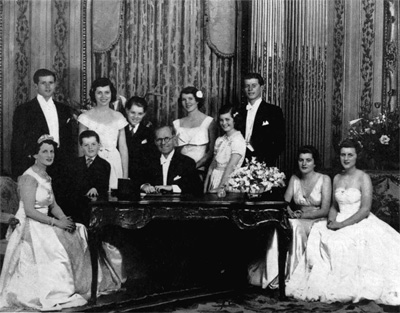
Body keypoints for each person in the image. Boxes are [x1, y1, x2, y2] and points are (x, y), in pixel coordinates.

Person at [286, 139, 400, 305]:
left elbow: (365, 209)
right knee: (319, 232)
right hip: (339, 218)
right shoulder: (337, 178)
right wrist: (332, 219)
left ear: (356, 157)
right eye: (343, 155)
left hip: (359, 220)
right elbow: (333, 206)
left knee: (342, 241)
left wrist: (342, 224)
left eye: (350, 155)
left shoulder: (363, 177)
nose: (346, 158)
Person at [0, 135, 91, 310]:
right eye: (44, 152)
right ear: (35, 155)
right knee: (56, 251)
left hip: (45, 221)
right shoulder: (29, 177)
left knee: (79, 230)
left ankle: (73, 285)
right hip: (29, 224)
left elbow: (53, 205)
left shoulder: (46, 175)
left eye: (52, 151)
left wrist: (64, 219)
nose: (50, 155)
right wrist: (57, 223)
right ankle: (52, 291)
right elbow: (29, 211)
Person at [248, 145, 331, 288]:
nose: (304, 164)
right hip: (298, 219)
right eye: (301, 160)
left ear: (315, 163)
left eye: (308, 160)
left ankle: (292, 276)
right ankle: (275, 272)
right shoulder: (294, 178)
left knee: (294, 225)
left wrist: (303, 215)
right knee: (282, 224)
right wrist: (290, 212)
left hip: (317, 220)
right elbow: (284, 203)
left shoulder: (324, 179)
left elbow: (325, 210)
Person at [11, 68, 73, 196]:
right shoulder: (24, 110)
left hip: (62, 166)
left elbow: (69, 142)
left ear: (55, 85)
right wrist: (18, 173)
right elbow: (17, 144)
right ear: (35, 86)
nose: (48, 86)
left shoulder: (64, 110)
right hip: (35, 165)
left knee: (62, 202)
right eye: (43, 83)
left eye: (51, 82)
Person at [78, 77, 129, 190]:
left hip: (114, 163)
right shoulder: (85, 118)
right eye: (99, 93)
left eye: (107, 92)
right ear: (94, 94)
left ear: (112, 93)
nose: (103, 96)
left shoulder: (119, 117)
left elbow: (123, 148)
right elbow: (81, 148)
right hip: (93, 162)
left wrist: (125, 177)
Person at [65, 130, 111, 226]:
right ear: (81, 147)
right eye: (86, 145)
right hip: (76, 207)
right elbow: (70, 187)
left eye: (93, 144)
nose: (90, 148)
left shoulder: (104, 165)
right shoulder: (74, 164)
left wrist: (96, 188)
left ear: (99, 145)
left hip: (94, 209)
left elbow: (104, 186)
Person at [140, 125, 202, 195]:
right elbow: (138, 180)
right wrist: (143, 186)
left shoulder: (187, 162)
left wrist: (172, 187)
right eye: (159, 139)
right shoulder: (148, 161)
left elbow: (196, 188)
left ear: (174, 139)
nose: (163, 143)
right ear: (155, 142)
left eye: (166, 138)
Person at [239, 73, 285, 166]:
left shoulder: (273, 111)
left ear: (262, 87)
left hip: (263, 163)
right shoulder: (238, 111)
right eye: (247, 86)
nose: (250, 89)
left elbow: (280, 142)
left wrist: (266, 161)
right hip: (239, 161)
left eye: (254, 86)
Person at [173, 86, 217, 179]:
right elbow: (174, 151)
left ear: (197, 100)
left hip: (199, 169)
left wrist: (193, 167)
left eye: (190, 99)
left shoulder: (209, 121)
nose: (187, 102)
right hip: (179, 170)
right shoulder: (176, 123)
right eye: (184, 99)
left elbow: (211, 151)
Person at [204, 104, 246, 197]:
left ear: (235, 120)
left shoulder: (238, 140)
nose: (224, 123)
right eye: (221, 120)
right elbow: (213, 164)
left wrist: (221, 187)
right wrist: (206, 185)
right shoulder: (220, 140)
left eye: (227, 119)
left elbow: (231, 166)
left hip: (228, 181)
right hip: (215, 178)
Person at [124, 96, 155, 182]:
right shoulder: (120, 130)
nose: (136, 117)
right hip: (122, 175)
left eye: (140, 114)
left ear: (144, 114)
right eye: (132, 112)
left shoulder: (148, 133)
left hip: (140, 178)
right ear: (127, 111)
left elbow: (151, 160)